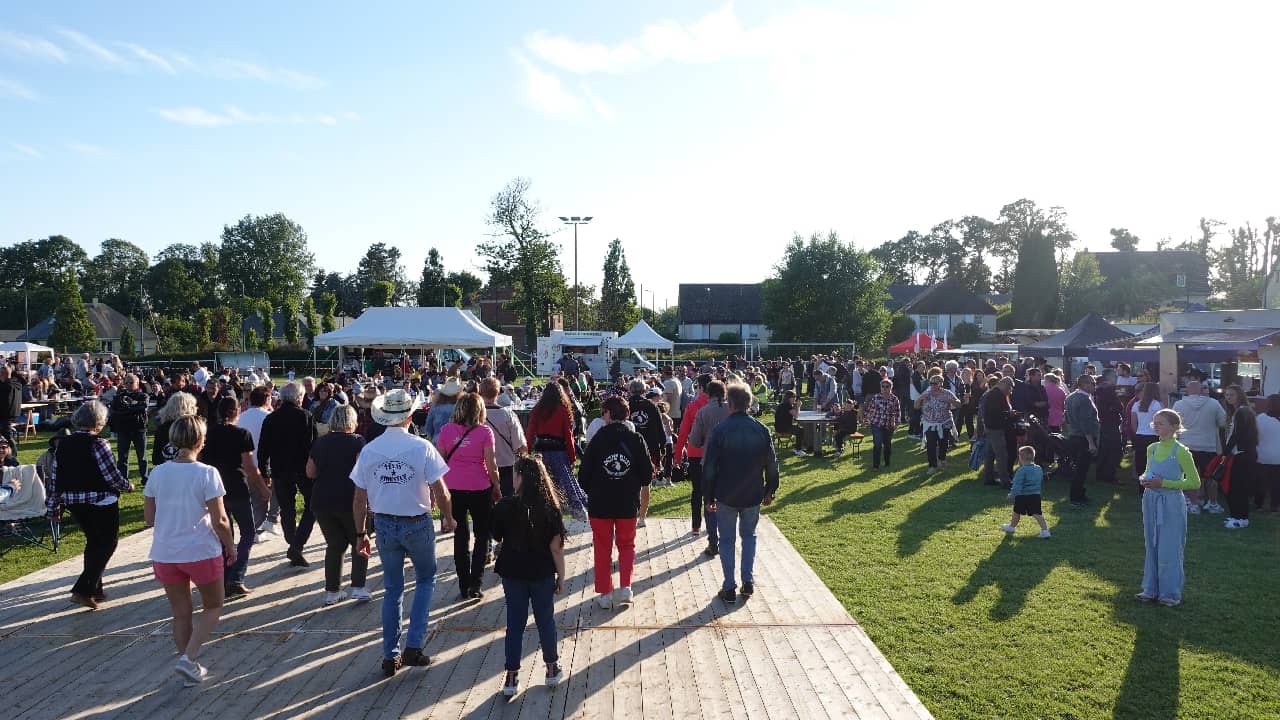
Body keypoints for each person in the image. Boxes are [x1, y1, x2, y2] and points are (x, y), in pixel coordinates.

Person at [352, 388, 457, 677]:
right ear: (410, 416)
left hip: (384, 522)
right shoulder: (421, 447)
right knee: (425, 579)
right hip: (416, 521)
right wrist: (448, 517)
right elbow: (441, 490)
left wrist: (361, 534)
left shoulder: (370, 450)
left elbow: (359, 499)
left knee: (392, 589)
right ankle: (414, 645)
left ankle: (390, 654)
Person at [143, 415, 235, 685]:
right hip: (199, 549)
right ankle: (188, 658)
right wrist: (229, 545)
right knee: (214, 605)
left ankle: (187, 665)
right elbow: (220, 519)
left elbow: (149, 518)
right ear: (200, 440)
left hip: (164, 551)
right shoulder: (207, 473)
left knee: (181, 613)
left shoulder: (157, 472)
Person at [46, 401, 134, 610]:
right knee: (108, 543)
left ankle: (95, 589)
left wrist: (53, 505)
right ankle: (83, 589)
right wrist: (127, 486)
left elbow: (56, 477)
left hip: (74, 501)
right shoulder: (98, 444)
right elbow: (111, 476)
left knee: (93, 542)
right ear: (99, 422)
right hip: (100, 500)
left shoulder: (63, 444)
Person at [492, 455, 567, 697]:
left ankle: (512, 676)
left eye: (514, 474)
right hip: (542, 572)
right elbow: (556, 549)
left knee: (515, 623)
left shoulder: (505, 506)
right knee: (545, 620)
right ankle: (551, 668)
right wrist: (561, 578)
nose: (511, 479)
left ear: (521, 477)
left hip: (513, 571)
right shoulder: (551, 509)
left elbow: (497, 537)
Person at [703, 383, 779, 605]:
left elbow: (709, 467)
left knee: (726, 540)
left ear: (730, 403)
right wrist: (770, 490)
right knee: (749, 536)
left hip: (726, 494)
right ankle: (747, 581)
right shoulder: (762, 429)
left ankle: (728, 587)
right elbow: (772, 464)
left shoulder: (720, 430)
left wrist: (708, 497)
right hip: (753, 493)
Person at [578, 396, 652, 610]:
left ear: (609, 414)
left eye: (603, 412)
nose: (602, 416)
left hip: (600, 503)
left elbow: (583, 475)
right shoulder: (636, 439)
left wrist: (594, 489)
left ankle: (605, 592)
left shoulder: (598, 439)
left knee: (602, 547)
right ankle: (626, 587)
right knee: (627, 545)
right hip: (627, 502)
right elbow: (647, 475)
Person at [199, 397, 269, 599]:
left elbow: (201, 459)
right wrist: (262, 488)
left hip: (214, 489)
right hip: (237, 487)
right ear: (235, 411)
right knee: (247, 532)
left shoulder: (208, 433)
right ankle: (236, 577)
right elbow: (249, 466)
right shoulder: (241, 434)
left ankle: (224, 577)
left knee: (223, 533)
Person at [436, 392, 500, 601]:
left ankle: (464, 584)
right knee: (482, 535)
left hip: (453, 487)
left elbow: (439, 461)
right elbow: (491, 465)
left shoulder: (446, 430)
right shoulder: (484, 432)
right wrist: (496, 485)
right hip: (480, 486)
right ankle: (476, 583)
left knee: (460, 535)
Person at [1136, 409, 1201, 607]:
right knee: (1152, 544)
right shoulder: (1152, 448)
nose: (1156, 426)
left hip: (1171, 503)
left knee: (1170, 548)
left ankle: (1170, 593)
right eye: (1155, 422)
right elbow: (1148, 472)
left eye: (1161, 423)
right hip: (1151, 501)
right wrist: (1144, 479)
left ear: (1174, 427)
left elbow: (1194, 482)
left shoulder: (1181, 451)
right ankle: (1150, 588)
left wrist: (1164, 483)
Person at [307, 404, 371, 605]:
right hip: (350, 499)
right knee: (359, 541)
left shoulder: (320, 442)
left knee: (335, 545)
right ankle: (358, 587)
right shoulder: (358, 441)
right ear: (353, 421)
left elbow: (310, 472)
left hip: (322, 500)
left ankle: (332, 591)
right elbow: (363, 471)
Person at [258, 381, 318, 567]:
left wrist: (265, 471)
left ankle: (293, 543)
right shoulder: (306, 416)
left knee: (287, 509)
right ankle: (297, 545)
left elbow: (263, 448)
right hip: (302, 470)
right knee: (312, 505)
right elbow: (313, 446)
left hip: (279, 470)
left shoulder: (271, 418)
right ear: (299, 398)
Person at [526, 381, 588, 523]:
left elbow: (529, 433)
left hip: (540, 452)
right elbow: (569, 435)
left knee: (542, 485)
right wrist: (572, 457)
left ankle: (543, 514)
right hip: (558, 452)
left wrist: (527, 451)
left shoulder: (537, 409)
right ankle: (577, 512)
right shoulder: (562, 409)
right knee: (567, 485)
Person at [689, 380, 732, 557]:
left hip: (710, 463)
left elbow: (695, 441)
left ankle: (713, 542)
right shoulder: (733, 410)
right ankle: (728, 540)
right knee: (729, 504)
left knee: (710, 503)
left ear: (708, 393)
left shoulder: (703, 412)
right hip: (732, 463)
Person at [1172, 381, 1228, 514]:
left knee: (1190, 476)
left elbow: (1173, 423)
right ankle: (1213, 503)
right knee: (1211, 477)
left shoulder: (1179, 404)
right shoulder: (1214, 403)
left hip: (1186, 444)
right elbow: (1223, 422)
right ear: (1202, 390)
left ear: (1187, 390)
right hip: (1208, 445)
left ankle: (1193, 504)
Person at [238, 385, 279, 536]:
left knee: (255, 500)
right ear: (267, 399)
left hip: (245, 464)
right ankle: (266, 523)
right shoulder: (269, 417)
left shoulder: (241, 416)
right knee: (271, 494)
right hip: (265, 463)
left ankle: (254, 529)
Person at [479, 377, 527, 498]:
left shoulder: (475, 416)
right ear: (498, 392)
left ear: (480, 392)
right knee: (507, 503)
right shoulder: (508, 414)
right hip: (506, 463)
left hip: (481, 466)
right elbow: (520, 445)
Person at [626, 380, 664, 524]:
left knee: (629, 481)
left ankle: (630, 513)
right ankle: (642, 517)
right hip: (649, 449)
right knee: (645, 483)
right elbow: (660, 430)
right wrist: (661, 449)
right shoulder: (652, 406)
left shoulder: (625, 405)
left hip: (629, 448)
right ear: (644, 391)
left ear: (630, 390)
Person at [1222, 385, 1257, 529]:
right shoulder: (1241, 411)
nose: (1229, 397)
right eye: (1227, 395)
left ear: (1239, 395)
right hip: (1242, 454)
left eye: (1232, 395)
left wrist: (1226, 451)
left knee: (1237, 488)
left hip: (1241, 455)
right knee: (1236, 487)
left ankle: (1240, 518)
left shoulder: (1242, 412)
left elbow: (1238, 434)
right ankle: (1238, 516)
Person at [1064, 375, 1100, 506]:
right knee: (1081, 469)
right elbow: (1085, 422)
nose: (1094, 386)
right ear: (1084, 384)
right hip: (1083, 438)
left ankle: (1079, 494)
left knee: (1077, 468)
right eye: (1092, 383)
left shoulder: (1070, 397)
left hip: (1073, 435)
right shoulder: (1084, 399)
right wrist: (1091, 442)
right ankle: (1076, 497)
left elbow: (1067, 418)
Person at [108, 373, 150, 485]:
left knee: (142, 457)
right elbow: (114, 411)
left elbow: (143, 407)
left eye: (131, 382)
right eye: (126, 382)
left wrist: (126, 410)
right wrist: (132, 408)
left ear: (137, 383)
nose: (128, 385)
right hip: (123, 429)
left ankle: (145, 479)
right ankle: (123, 480)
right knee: (122, 457)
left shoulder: (143, 396)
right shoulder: (119, 397)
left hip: (139, 429)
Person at [916, 375, 962, 474]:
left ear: (941, 383)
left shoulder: (946, 393)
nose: (932, 385)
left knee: (943, 444)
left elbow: (959, 404)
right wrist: (920, 398)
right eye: (931, 383)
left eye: (935, 383)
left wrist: (948, 400)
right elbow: (916, 406)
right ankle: (932, 465)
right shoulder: (927, 393)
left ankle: (942, 458)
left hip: (944, 423)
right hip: (930, 423)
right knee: (931, 445)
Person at [1001, 446, 1051, 538]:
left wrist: (1012, 494)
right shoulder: (1038, 468)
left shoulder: (1022, 470)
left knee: (1016, 512)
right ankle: (1045, 530)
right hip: (1035, 495)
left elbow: (1017, 484)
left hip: (1022, 496)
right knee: (1037, 513)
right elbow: (1040, 480)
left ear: (1020, 458)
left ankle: (1011, 527)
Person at [980, 377, 1017, 488]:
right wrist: (1009, 414)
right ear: (1005, 385)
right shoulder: (996, 395)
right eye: (1010, 389)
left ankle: (988, 478)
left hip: (991, 427)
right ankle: (1005, 481)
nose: (1010, 392)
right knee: (1001, 455)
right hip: (996, 428)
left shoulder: (992, 394)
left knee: (990, 455)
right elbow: (996, 413)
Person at [863, 379, 900, 469]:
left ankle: (887, 462)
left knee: (887, 445)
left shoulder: (894, 399)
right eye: (882, 386)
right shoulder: (876, 397)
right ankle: (876, 465)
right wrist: (866, 418)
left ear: (891, 388)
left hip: (888, 425)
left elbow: (897, 412)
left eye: (887, 387)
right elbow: (870, 409)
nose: (884, 388)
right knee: (877, 444)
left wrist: (896, 424)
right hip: (876, 424)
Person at [1131, 383, 1163, 484]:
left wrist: (1137, 432)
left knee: (1141, 462)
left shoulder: (1136, 404)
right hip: (1153, 436)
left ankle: (1142, 486)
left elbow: (1133, 423)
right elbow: (1161, 422)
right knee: (1153, 462)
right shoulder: (1157, 405)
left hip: (1140, 435)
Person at [1255, 394, 1280, 513]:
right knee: (1276, 482)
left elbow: (1256, 435)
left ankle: (1259, 505)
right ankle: (1275, 505)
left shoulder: (1261, 418)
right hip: (1278, 456)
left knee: (1261, 482)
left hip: (1263, 455)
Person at [422, 377, 463, 442]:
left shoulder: (435, 407)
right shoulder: (462, 408)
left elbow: (428, 429)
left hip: (437, 442)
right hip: (457, 444)